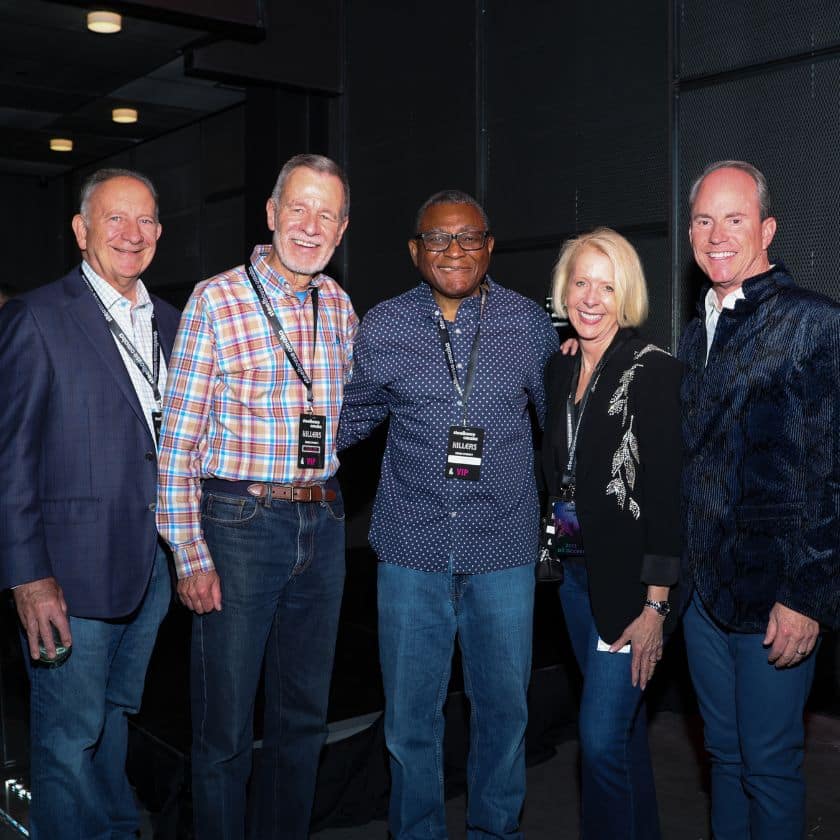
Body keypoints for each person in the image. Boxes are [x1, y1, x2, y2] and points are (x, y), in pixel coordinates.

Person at [337, 190, 559, 839]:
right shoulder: (382, 326)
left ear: (490, 247)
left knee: (504, 715)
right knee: (410, 721)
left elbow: (561, 433)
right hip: (412, 550)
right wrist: (271, 445)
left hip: (505, 551)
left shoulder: (527, 323)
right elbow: (346, 417)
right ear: (415, 252)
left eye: (468, 237)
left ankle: (495, 830)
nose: (454, 249)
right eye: (438, 239)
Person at [156, 153, 357, 839]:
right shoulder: (217, 299)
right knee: (225, 730)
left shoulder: (340, 305)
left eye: (326, 214)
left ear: (342, 227)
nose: (309, 225)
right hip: (237, 526)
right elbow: (177, 442)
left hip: (322, 523)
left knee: (302, 723)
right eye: (297, 208)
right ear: (270, 214)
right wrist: (189, 554)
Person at [0, 168, 179, 839]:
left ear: (160, 235)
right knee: (68, 737)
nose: (130, 235)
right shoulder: (37, 317)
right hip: (67, 576)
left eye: (144, 222)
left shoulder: (172, 322)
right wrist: (27, 575)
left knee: (115, 717)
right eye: (113, 219)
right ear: (81, 231)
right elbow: (9, 458)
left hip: (154, 566)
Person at [680, 160, 840, 839]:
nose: (718, 234)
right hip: (702, 597)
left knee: (770, 765)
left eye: (735, 218)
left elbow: (832, 473)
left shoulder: (816, 323)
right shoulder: (697, 331)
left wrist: (809, 595)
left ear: (767, 227)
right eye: (705, 219)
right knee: (724, 757)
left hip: (778, 593)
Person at [541, 228, 682, 839]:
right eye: (581, 283)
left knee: (598, 744)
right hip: (574, 578)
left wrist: (656, 606)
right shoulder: (560, 368)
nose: (592, 298)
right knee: (621, 744)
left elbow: (668, 498)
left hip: (632, 591)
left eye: (608, 285)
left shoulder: (655, 372)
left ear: (627, 294)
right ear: (564, 290)